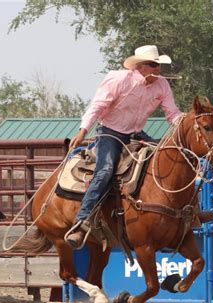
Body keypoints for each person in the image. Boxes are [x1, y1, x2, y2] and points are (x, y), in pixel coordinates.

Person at [65, 45, 183, 249]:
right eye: (154, 65)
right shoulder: (119, 79)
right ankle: (81, 220)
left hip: (136, 133)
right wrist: (83, 130)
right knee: (105, 170)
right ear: (140, 66)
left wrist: (188, 122)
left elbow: (172, 113)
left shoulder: (161, 85)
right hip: (110, 131)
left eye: (159, 65)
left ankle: (181, 213)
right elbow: (97, 106)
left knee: (170, 159)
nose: (158, 70)